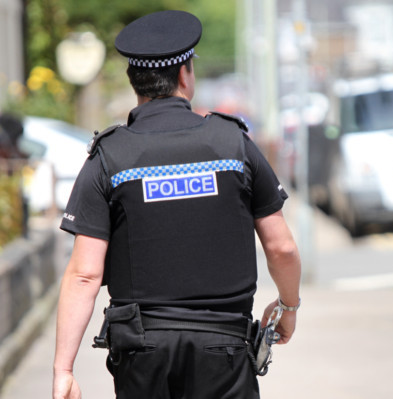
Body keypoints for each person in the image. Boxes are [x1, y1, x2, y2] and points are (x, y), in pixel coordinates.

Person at [52, 10, 301, 399]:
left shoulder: (109, 157)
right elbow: (281, 246)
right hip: (225, 348)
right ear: (185, 74)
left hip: (141, 353)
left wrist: (63, 369)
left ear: (135, 80)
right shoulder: (233, 145)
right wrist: (289, 306)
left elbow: (84, 274)